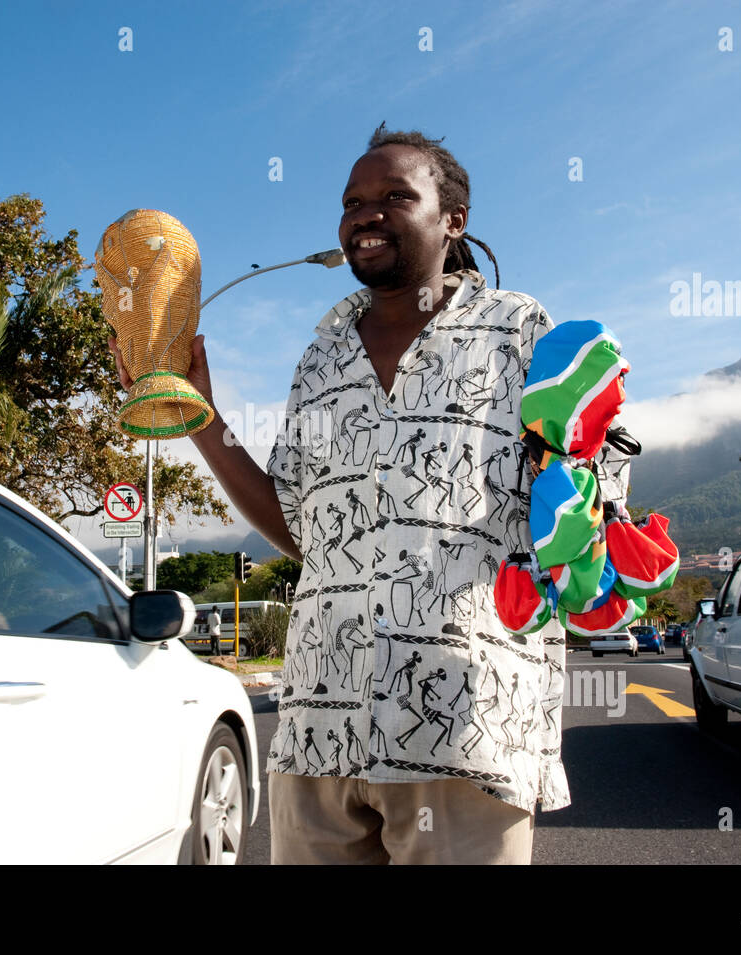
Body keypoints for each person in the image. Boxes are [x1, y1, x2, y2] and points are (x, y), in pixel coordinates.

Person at [108, 123, 631, 864]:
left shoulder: (518, 331)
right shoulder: (322, 353)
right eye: (353, 200)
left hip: (464, 727)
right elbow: (299, 528)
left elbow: (587, 498)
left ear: (454, 219)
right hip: (319, 728)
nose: (365, 213)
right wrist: (204, 419)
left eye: (394, 195)